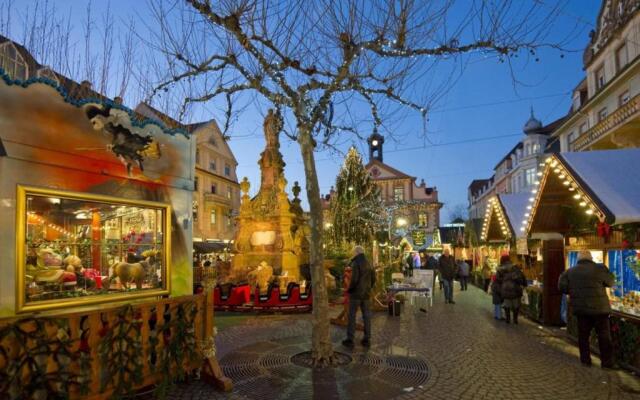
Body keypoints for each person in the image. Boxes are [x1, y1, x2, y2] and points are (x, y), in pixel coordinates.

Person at [558, 251, 615, 369]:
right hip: (600, 309)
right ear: (591, 258)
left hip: (582, 309)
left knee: (583, 336)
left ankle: (585, 360)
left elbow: (561, 287)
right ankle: (607, 362)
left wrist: (573, 291)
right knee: (604, 336)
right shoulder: (600, 268)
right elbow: (610, 282)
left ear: (578, 259)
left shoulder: (570, 272)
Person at [343, 245, 376, 348]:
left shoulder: (355, 263)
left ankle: (350, 339)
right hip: (366, 294)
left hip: (356, 294)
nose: (352, 254)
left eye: (353, 252)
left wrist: (350, 289)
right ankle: (367, 339)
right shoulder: (369, 262)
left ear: (356, 252)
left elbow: (354, 279)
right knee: (366, 316)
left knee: (352, 316)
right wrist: (368, 288)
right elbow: (373, 278)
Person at [495, 255, 527, 324]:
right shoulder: (515, 267)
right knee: (516, 305)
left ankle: (508, 319)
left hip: (505, 289)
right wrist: (524, 284)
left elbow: (497, 279)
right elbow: (521, 276)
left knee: (507, 304)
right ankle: (515, 319)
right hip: (515, 289)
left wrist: (504, 280)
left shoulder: (500, 269)